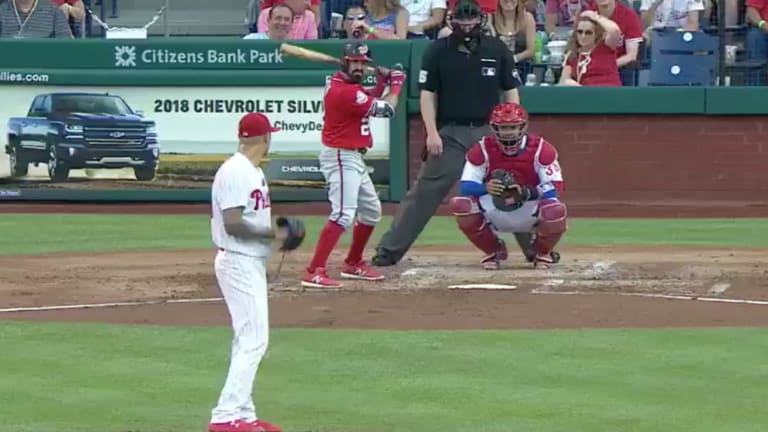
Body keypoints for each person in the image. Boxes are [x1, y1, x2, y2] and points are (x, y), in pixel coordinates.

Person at [372, 0, 521, 268]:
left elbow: (511, 90)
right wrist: (432, 133)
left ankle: (536, 249)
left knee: (508, 186)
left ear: (480, 20)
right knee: (424, 193)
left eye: (471, 20)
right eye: (462, 20)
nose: (467, 25)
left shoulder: (497, 48)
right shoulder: (437, 50)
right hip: (450, 132)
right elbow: (428, 94)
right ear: (452, 20)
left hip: (489, 133)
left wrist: (513, 129)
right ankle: (389, 249)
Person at [208, 112, 289, 432]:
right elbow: (233, 223)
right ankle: (225, 416)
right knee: (255, 340)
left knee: (248, 339)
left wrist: (276, 235)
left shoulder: (252, 170)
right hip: (237, 260)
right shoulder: (236, 171)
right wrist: (274, 235)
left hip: (248, 260)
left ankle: (244, 413)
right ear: (265, 138)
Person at [302, 41, 406, 288]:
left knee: (371, 211)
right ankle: (314, 270)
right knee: (342, 215)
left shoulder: (344, 84)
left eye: (362, 63)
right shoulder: (345, 92)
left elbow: (365, 98)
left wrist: (380, 84)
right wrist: (396, 83)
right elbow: (388, 109)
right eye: (354, 62)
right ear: (345, 62)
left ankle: (353, 262)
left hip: (353, 157)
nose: (359, 67)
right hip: (340, 155)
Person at [450, 102, 566, 269]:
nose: (508, 132)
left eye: (513, 127)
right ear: (494, 128)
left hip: (530, 206)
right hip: (495, 205)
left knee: (555, 209)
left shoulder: (541, 148)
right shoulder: (482, 149)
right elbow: (466, 185)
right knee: (462, 204)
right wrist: (486, 188)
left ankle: (541, 252)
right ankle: (493, 250)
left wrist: (527, 192)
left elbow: (555, 186)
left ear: (522, 127)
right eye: (503, 128)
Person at [558, 11, 621, 86]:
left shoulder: (605, 46)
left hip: (610, 90)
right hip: (585, 92)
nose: (583, 36)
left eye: (588, 33)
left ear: (596, 34)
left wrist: (595, 17)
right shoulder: (572, 55)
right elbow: (563, 80)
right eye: (580, 32)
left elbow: (614, 30)